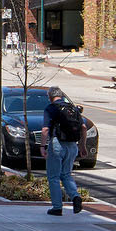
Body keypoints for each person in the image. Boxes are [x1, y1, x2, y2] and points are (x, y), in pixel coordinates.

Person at [44, 85, 85, 215]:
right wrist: (82, 145)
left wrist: (42, 146)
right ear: (61, 95)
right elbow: (83, 127)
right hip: (72, 145)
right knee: (66, 174)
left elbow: (45, 130)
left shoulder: (51, 108)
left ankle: (57, 207)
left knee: (54, 177)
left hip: (57, 144)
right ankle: (75, 197)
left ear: (50, 97)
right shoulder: (73, 108)